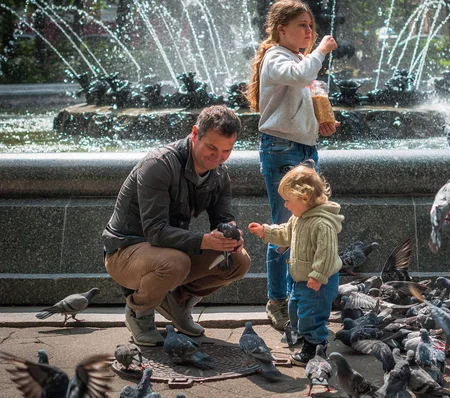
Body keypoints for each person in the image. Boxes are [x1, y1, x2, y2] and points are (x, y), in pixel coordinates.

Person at [102, 106, 251, 347]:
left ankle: (179, 302)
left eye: (227, 150)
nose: (218, 157)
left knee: (238, 261)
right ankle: (138, 312)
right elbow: (156, 232)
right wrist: (205, 241)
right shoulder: (158, 164)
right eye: (212, 148)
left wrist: (230, 234)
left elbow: (223, 217)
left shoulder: (220, 174)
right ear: (195, 133)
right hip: (124, 252)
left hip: (169, 250)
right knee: (175, 263)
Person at [246, 0, 340, 330]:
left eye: (311, 26)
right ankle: (277, 300)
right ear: (281, 29)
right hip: (281, 150)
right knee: (285, 226)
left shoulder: (299, 58)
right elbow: (301, 76)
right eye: (302, 25)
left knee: (307, 224)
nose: (310, 31)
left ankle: (299, 295)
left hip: (304, 149)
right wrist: (323, 49)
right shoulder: (276, 58)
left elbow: (306, 97)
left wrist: (320, 124)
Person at [248, 162, 343, 366]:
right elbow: (285, 233)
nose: (285, 205)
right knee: (295, 310)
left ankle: (315, 346)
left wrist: (318, 276)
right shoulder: (298, 218)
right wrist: (266, 231)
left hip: (318, 281)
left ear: (305, 197)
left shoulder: (322, 223)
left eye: (288, 200)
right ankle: (305, 335)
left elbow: (326, 254)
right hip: (301, 279)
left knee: (312, 315)